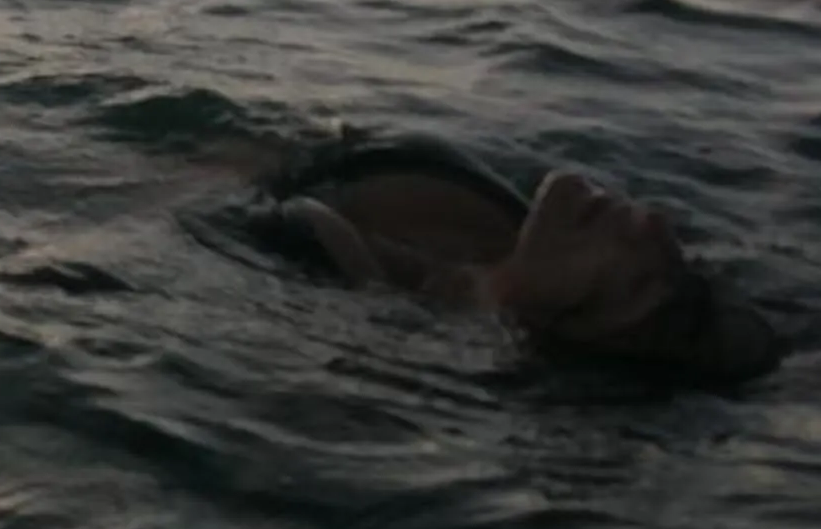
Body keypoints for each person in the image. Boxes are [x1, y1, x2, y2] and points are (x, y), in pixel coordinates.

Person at [235, 132, 778, 382]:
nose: (657, 228)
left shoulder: (372, 290)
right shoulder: (502, 226)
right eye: (677, 262)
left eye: (646, 282)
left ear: (562, 327)